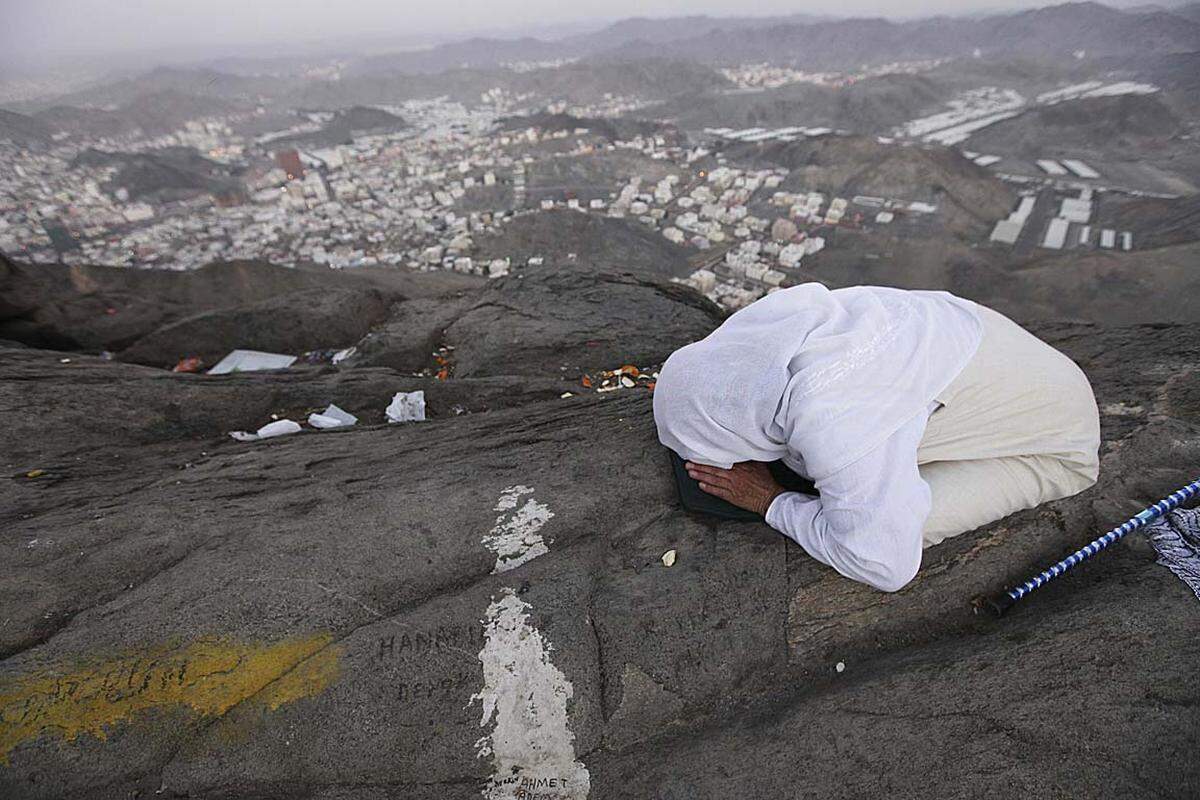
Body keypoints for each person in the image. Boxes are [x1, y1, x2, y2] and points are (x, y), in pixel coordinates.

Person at [653, 283, 1100, 592]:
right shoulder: (769, 325)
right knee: (855, 467)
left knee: (892, 523)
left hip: (1054, 442)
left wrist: (770, 501)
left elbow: (884, 564)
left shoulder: (833, 420)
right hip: (979, 342)